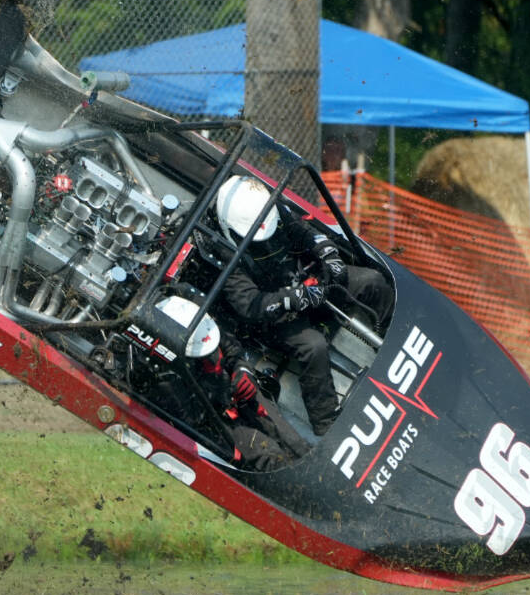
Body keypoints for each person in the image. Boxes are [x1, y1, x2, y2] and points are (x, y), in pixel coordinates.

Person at [212, 175, 394, 436]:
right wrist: (292, 298)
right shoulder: (222, 250)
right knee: (314, 347)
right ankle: (326, 423)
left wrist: (329, 255)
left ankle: (394, 337)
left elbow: (308, 234)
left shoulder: (274, 209)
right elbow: (249, 306)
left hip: (308, 284)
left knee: (372, 281)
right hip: (272, 318)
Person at [154, 295, 308, 471]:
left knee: (294, 441)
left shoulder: (203, 322)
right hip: (217, 419)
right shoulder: (166, 374)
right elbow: (193, 419)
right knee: (270, 455)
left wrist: (243, 372)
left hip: (240, 391)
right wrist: (218, 387)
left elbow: (233, 349)